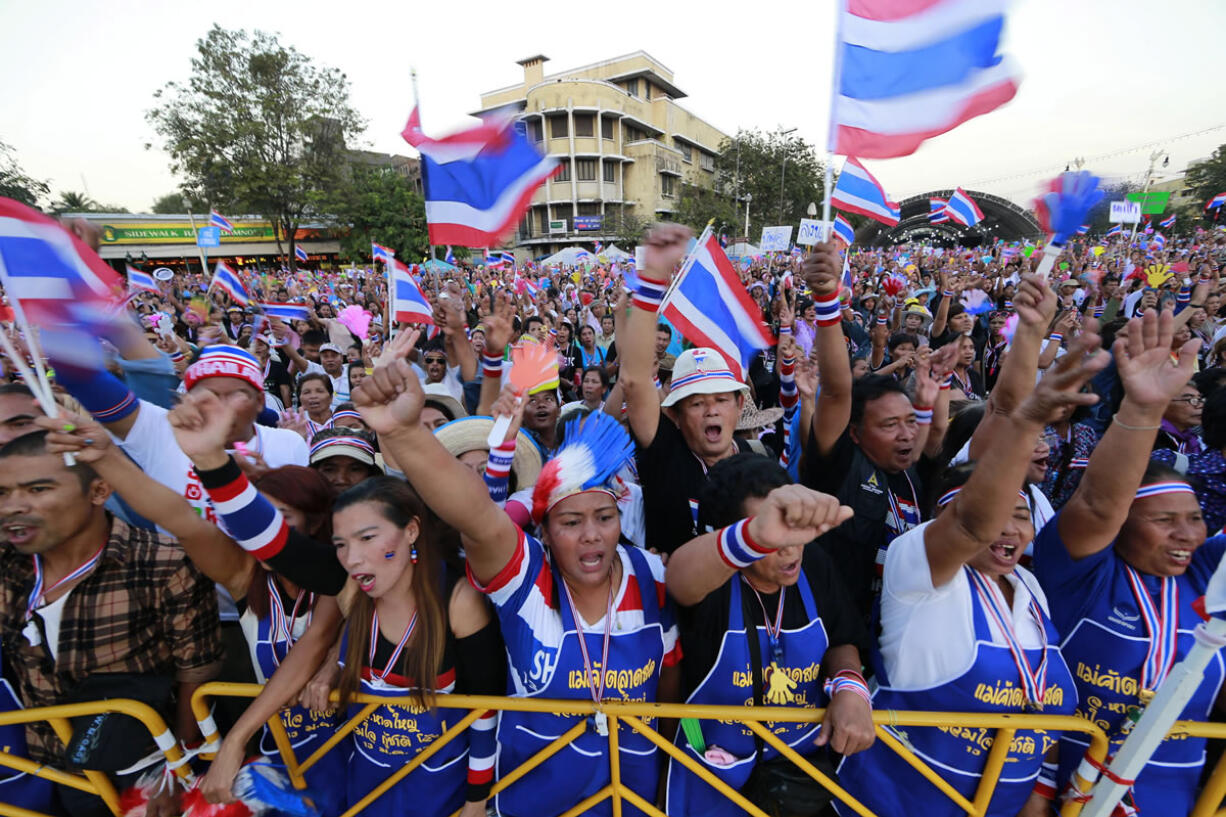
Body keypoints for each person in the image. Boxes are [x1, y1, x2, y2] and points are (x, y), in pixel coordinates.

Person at [352, 362, 681, 817]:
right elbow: (478, 520)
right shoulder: (526, 581)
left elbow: (669, 679)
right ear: (543, 532)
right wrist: (405, 434)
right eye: (570, 521)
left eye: (604, 518)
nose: (591, 534)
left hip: (632, 802)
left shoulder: (650, 573)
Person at [165, 392, 504, 817]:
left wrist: (476, 803)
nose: (353, 557)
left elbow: (487, 710)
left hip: (441, 789)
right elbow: (273, 543)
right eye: (341, 544)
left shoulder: (457, 601)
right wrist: (211, 460)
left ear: (411, 531)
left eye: (368, 538)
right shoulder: (352, 585)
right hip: (364, 782)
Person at [834, 326, 1106, 817]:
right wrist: (1028, 421)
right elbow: (976, 516)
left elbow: (1040, 725)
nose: (1006, 529)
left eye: (1021, 515)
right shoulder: (916, 567)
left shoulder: (1030, 591)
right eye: (997, 515)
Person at [40, 412, 349, 816]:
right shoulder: (245, 573)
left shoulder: (341, 575)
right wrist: (105, 458)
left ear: (316, 523)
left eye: (282, 518)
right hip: (282, 744)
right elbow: (180, 520)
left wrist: (235, 741)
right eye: (259, 518)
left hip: (352, 744)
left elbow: (313, 645)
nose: (265, 534)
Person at [1034, 308, 1221, 816]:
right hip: (1060, 800)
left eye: (1196, 518)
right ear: (1123, 523)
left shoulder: (1207, 576)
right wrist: (1143, 407)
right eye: (1164, 520)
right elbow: (1097, 503)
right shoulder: (1080, 572)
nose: (1188, 534)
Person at [0, 430, 222, 817]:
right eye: (2, 493)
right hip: (40, 770)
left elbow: (196, 673)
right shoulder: (8, 568)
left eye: (37, 489)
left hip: (138, 775)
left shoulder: (161, 564)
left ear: (99, 491)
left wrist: (176, 774)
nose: (14, 506)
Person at [664, 455, 873, 817]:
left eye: (792, 528)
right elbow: (679, 580)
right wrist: (753, 537)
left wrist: (851, 688)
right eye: (772, 534)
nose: (790, 547)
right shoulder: (712, 582)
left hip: (800, 771)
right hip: (712, 777)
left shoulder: (815, 565)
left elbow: (842, 637)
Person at [622, 225, 844, 555]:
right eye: (696, 403)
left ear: (740, 405)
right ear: (675, 415)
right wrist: (652, 283)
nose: (711, 409)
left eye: (721, 399)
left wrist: (828, 299)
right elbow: (634, 380)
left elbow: (837, 397)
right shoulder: (665, 455)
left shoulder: (760, 458)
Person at [50, 344, 309, 525]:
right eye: (207, 394)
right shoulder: (161, 431)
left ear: (260, 401)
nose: (220, 406)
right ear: (188, 397)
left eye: (236, 394)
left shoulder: (289, 443)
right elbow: (88, 385)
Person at [1153, 380, 1204, 454]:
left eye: (1199, 399)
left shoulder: (1196, 440)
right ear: (1163, 404)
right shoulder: (1150, 440)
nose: (1200, 405)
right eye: (1190, 399)